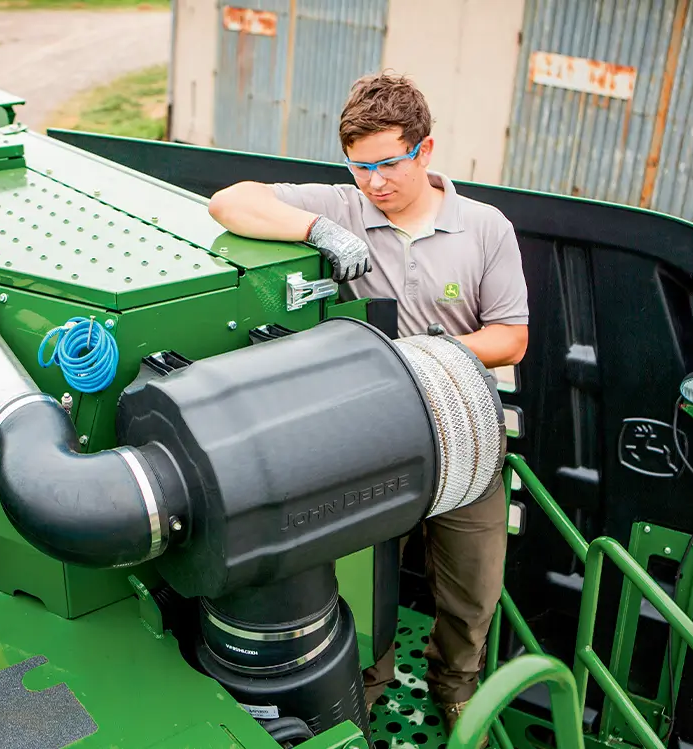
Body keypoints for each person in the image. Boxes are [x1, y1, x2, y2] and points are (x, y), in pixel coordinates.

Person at [207, 71, 529, 738]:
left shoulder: (485, 229)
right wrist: (319, 228)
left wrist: (422, 357)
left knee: (473, 589)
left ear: (425, 149)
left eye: (389, 164)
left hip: (465, 439)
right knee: (366, 580)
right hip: (376, 442)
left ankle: (455, 685)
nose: (375, 183)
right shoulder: (345, 208)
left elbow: (511, 337)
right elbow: (228, 202)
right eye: (360, 167)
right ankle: (368, 686)